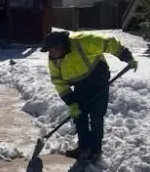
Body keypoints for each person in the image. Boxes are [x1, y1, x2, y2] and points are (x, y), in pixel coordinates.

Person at [40, 30, 138, 162]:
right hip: (80, 85)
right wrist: (71, 102)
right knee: (79, 115)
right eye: (49, 51)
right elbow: (58, 82)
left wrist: (128, 57)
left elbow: (109, 42)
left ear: (61, 45)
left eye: (53, 50)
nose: (52, 54)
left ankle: (95, 151)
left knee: (96, 115)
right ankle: (83, 148)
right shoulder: (54, 59)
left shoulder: (82, 41)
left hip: (98, 78)